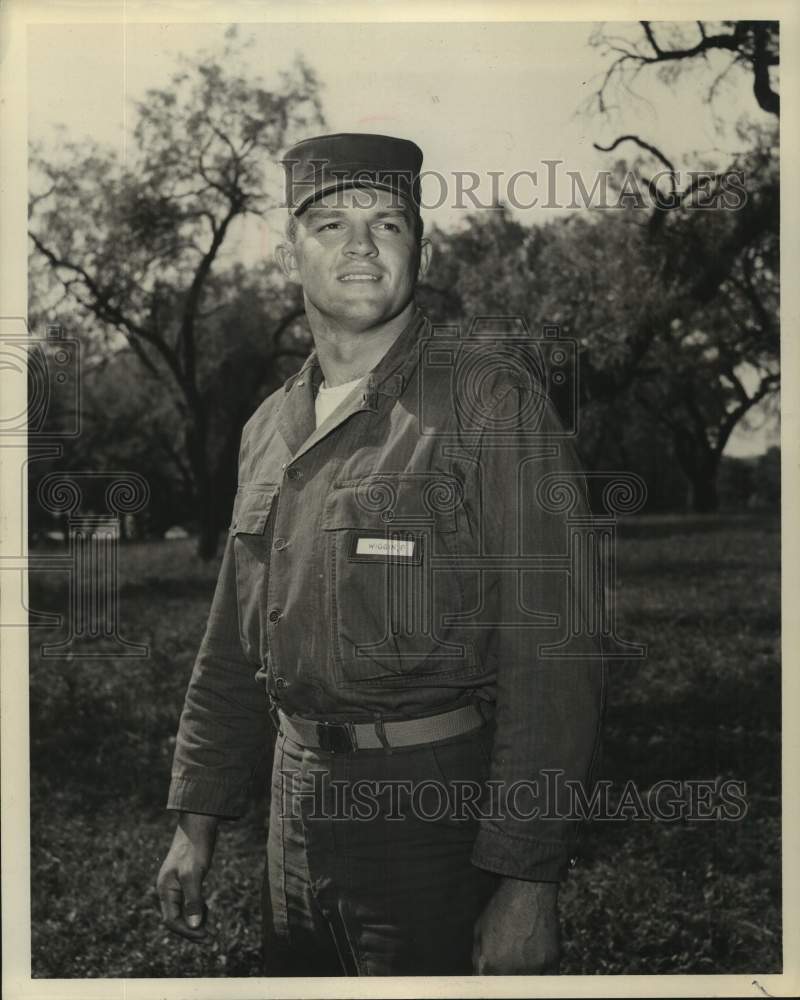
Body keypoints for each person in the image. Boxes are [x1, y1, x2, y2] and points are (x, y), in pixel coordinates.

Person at [157, 132, 605, 976]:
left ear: (420, 249)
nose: (360, 246)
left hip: (431, 818)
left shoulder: (488, 401)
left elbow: (558, 654)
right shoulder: (268, 427)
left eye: (387, 223)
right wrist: (197, 820)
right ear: (290, 251)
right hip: (292, 812)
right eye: (329, 224)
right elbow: (231, 646)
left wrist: (525, 878)